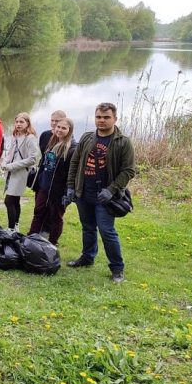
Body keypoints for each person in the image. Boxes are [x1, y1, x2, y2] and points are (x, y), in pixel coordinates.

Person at [64, 103, 135, 283]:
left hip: (105, 197)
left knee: (107, 231)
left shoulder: (123, 142)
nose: (101, 121)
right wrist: (71, 187)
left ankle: (117, 268)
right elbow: (75, 162)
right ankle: (87, 257)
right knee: (88, 227)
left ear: (115, 119)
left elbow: (128, 171)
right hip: (84, 193)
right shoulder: (87, 137)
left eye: (106, 117)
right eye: (98, 117)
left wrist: (111, 190)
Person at [28, 117, 76, 245]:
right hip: (44, 186)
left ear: (70, 130)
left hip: (59, 191)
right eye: (58, 127)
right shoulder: (51, 142)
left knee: (56, 218)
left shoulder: (72, 149)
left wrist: (68, 192)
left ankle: (52, 243)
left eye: (63, 128)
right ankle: (30, 239)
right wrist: (39, 181)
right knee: (38, 213)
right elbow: (44, 164)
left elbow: (72, 174)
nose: (59, 130)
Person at [1, 112, 39, 232]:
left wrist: (12, 166)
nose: (18, 124)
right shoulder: (15, 136)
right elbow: (10, 153)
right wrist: (4, 162)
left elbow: (33, 159)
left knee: (8, 201)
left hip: (21, 173)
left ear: (27, 123)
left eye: (21, 122)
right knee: (15, 200)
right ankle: (16, 226)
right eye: (17, 122)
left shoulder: (30, 138)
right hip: (11, 172)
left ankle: (11, 229)